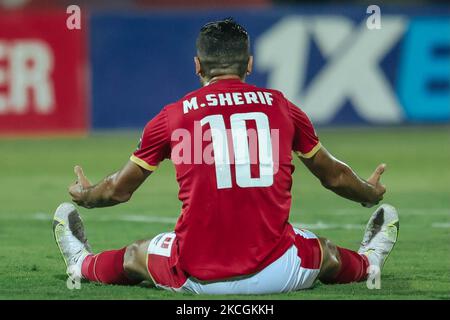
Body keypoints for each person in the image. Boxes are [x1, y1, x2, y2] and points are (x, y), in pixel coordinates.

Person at [53, 18, 398, 294]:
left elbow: (117, 189)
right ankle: (370, 263)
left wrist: (86, 196)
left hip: (196, 277)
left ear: (197, 66)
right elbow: (333, 175)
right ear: (249, 64)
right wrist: (368, 193)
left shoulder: (172, 117)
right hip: (276, 273)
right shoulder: (281, 107)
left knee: (133, 255)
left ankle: (80, 264)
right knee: (327, 253)